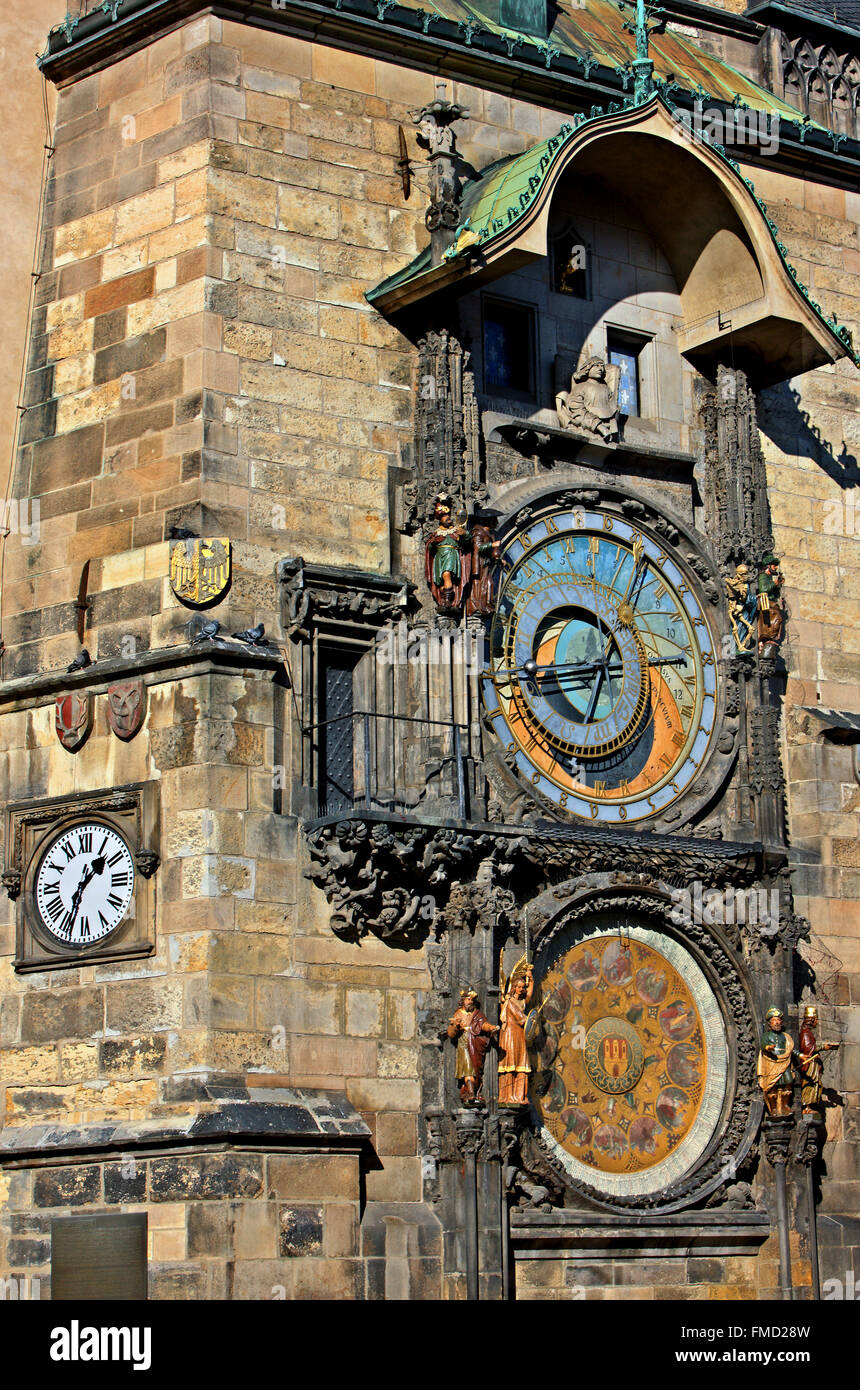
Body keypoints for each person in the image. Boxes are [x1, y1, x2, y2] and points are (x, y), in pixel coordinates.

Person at [447, 989, 498, 1104]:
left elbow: (483, 1024)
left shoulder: (477, 1014)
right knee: (468, 1069)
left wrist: (491, 1028)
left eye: (472, 1000)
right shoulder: (458, 1013)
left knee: (476, 1070)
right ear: (463, 1000)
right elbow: (451, 1034)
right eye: (468, 999)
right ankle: (471, 1093)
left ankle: (473, 1091)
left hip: (475, 1044)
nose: (470, 1002)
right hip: (464, 1043)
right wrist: (455, 1025)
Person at [425, 494, 471, 609]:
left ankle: (447, 601)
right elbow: (430, 549)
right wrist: (434, 542)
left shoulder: (456, 530)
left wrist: (465, 534)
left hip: (451, 555)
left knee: (446, 575)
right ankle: (444, 599)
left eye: (448, 516)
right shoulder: (436, 533)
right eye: (445, 517)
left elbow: (467, 543)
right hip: (439, 557)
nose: (448, 518)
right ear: (440, 520)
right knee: (441, 582)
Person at [556, 357, 619, 442]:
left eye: (602, 366)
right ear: (587, 369)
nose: (600, 368)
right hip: (587, 422)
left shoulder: (606, 389)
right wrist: (598, 426)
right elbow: (577, 410)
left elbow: (613, 409)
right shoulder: (580, 387)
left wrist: (612, 426)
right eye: (596, 366)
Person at [498, 964, 534, 1107]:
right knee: (511, 1064)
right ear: (513, 987)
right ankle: (508, 1095)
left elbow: (530, 995)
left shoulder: (521, 1002)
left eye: (523, 987)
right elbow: (522, 1018)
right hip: (510, 1035)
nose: (521, 989)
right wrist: (532, 1021)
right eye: (518, 987)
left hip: (520, 1035)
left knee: (521, 1064)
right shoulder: (509, 1002)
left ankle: (519, 1095)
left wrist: (530, 979)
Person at [796, 1005, 839, 1117]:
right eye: (816, 1019)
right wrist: (822, 1046)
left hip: (813, 1064)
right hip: (809, 1064)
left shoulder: (808, 1032)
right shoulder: (805, 1033)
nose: (817, 1022)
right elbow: (808, 1047)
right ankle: (806, 1107)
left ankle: (809, 1106)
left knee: (815, 1084)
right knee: (809, 1083)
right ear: (812, 1020)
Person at [757, 1006, 795, 1117]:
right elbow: (763, 1045)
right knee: (772, 1086)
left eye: (778, 1020)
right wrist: (768, 1048)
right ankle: (773, 1108)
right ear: (770, 1023)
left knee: (788, 1082)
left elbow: (791, 1049)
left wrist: (801, 1055)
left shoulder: (785, 1037)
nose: (777, 1023)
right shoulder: (767, 1035)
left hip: (784, 1061)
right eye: (774, 1020)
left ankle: (785, 1105)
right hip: (772, 1061)